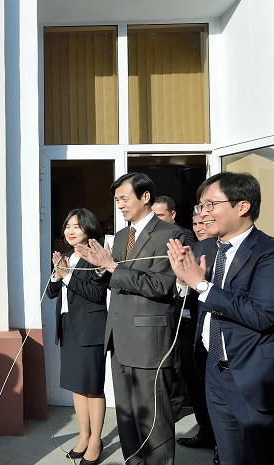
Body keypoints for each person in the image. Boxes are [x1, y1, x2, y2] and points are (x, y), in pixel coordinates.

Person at [167, 172, 274, 465]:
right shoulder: (206, 248)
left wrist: (201, 285)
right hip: (214, 373)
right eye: (201, 206)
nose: (204, 214)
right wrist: (183, 283)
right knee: (228, 457)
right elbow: (193, 296)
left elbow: (262, 315)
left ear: (242, 207)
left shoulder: (267, 252)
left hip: (251, 377)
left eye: (211, 205)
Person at [76, 172, 183, 465]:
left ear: (145, 197)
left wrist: (111, 266)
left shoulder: (171, 234)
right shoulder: (122, 235)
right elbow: (115, 279)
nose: (120, 205)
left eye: (124, 198)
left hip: (149, 340)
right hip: (118, 336)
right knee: (126, 417)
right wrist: (100, 269)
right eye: (117, 200)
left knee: (153, 420)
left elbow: (160, 286)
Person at [46, 208, 108, 465]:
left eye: (76, 227)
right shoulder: (68, 257)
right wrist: (56, 274)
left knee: (92, 387)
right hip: (69, 327)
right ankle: (84, 436)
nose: (70, 231)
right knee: (77, 386)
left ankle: (96, 440)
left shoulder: (97, 258)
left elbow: (96, 294)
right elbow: (51, 292)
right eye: (68, 226)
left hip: (90, 329)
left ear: (89, 230)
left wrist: (67, 276)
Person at [174, 212, 218, 464]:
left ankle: (220, 441)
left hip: (211, 327)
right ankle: (205, 431)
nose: (199, 227)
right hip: (186, 326)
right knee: (193, 383)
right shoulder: (191, 248)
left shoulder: (221, 248)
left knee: (212, 386)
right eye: (196, 223)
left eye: (204, 222)